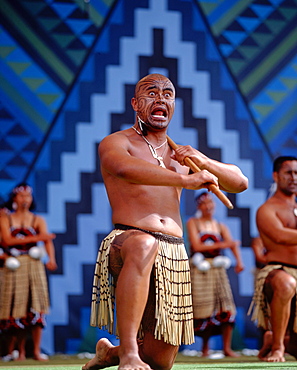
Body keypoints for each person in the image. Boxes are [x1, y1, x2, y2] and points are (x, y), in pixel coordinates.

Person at [82, 73, 248, 370]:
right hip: (129, 239)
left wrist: (203, 161)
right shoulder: (117, 142)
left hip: (173, 251)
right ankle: (129, 352)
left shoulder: (181, 155)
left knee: (160, 361)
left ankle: (110, 353)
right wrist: (186, 179)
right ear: (135, 103)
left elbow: (240, 183)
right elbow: (124, 168)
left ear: (173, 105)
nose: (161, 98)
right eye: (151, 92)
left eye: (168, 94)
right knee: (145, 244)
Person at [0, 183, 57, 361]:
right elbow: (7, 241)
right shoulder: (5, 219)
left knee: (37, 306)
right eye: (22, 196)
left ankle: (37, 351)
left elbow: (48, 241)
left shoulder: (38, 220)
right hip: (14, 265)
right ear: (14, 198)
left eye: (28, 196)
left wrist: (51, 259)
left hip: (34, 266)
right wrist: (39, 237)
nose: (25, 200)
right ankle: (17, 352)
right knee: (16, 307)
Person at [249, 156, 297, 362]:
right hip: (277, 272)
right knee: (287, 283)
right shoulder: (266, 209)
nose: (294, 178)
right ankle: (277, 347)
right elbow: (279, 235)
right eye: (288, 173)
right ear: (276, 176)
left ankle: (276, 340)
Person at [187, 192, 244, 357]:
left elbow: (233, 245)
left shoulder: (220, 226)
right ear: (199, 206)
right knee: (203, 308)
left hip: (218, 270)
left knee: (226, 307)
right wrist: (225, 244)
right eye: (204, 204)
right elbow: (196, 246)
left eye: (211, 203)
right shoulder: (193, 223)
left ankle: (227, 348)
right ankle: (205, 348)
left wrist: (239, 262)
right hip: (200, 270)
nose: (208, 206)